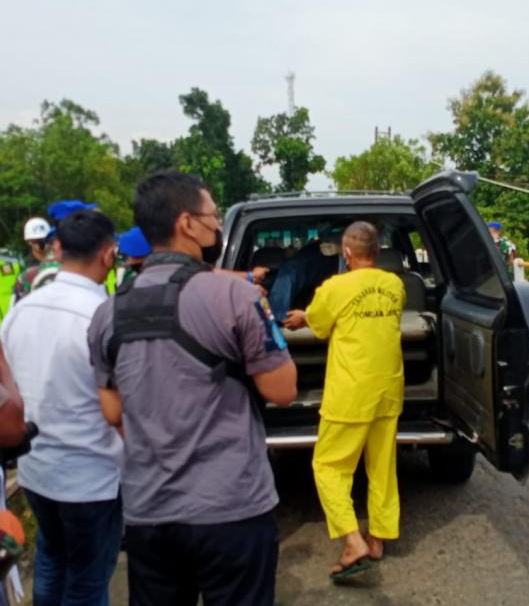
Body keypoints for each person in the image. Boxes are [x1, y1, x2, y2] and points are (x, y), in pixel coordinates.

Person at [87, 171, 297, 606]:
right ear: (187, 223)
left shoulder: (109, 313)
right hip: (231, 509)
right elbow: (282, 390)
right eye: (213, 216)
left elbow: (112, 412)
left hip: (149, 512)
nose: (218, 226)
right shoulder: (238, 297)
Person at [0, 209, 124, 605]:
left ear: (57, 248)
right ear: (108, 255)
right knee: (88, 580)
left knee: (52, 561)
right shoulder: (103, 316)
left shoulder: (23, 308)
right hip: (91, 476)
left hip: (36, 469)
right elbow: (121, 403)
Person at [283, 221, 405, 581]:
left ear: (347, 252)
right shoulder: (395, 285)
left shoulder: (334, 287)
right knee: (382, 467)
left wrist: (302, 316)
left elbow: (320, 324)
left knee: (329, 467)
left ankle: (353, 541)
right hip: (388, 390)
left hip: (351, 393)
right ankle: (379, 537)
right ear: (378, 251)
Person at [10, 216, 54, 305]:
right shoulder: (25, 265)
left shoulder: (63, 259)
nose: (41, 244)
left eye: (43, 240)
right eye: (35, 241)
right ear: (28, 242)